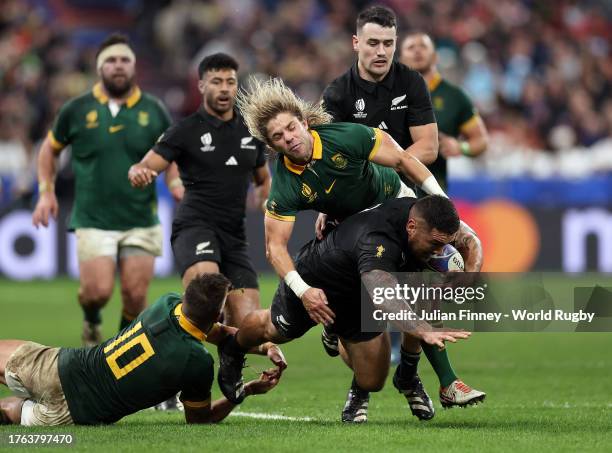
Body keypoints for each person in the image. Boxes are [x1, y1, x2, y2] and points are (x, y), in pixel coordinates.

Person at [236, 76, 477, 420]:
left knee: (430, 283)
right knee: (379, 329)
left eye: (291, 128)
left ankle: (428, 378)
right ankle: (386, 370)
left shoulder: (346, 136)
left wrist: (440, 201)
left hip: (396, 208)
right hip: (354, 233)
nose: (288, 138)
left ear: (304, 123)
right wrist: (304, 290)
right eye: (278, 136)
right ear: (272, 145)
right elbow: (274, 247)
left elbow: (403, 161)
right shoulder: (285, 184)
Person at [322, 6, 485, 412]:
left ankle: (423, 378)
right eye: (373, 42)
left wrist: (389, 181)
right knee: (366, 325)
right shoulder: (338, 94)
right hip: (359, 215)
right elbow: (329, 160)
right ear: (356, 42)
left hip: (414, 209)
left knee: (425, 293)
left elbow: (428, 148)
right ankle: (361, 375)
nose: (382, 51)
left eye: (389, 44)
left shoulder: (410, 82)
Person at [217, 196, 471, 423]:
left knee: (373, 380)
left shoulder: (418, 212)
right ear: (411, 227)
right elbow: (382, 292)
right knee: (275, 330)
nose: (440, 252)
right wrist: (422, 329)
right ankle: (234, 348)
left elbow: (470, 243)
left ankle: (341, 337)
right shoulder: (378, 241)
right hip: (318, 281)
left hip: (357, 295)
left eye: (445, 245)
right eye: (435, 244)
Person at [31, 33, 182, 346]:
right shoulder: (77, 109)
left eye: (124, 60)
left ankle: (117, 356)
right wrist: (46, 191)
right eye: (111, 60)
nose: (118, 66)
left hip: (141, 216)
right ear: (99, 68)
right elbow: (49, 150)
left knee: (135, 296)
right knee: (97, 292)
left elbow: (172, 154)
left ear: (134, 66)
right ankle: (92, 319)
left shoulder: (154, 110)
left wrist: (175, 182)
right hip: (93, 217)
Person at [0, 273, 285, 426]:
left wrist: (264, 345)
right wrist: (244, 391)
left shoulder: (167, 302)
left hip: (63, 366)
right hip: (76, 412)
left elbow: (221, 334)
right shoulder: (195, 361)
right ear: (215, 316)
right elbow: (201, 419)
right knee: (8, 411)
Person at [129, 53, 270, 328]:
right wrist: (140, 172)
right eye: (216, 81)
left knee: (246, 326)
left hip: (235, 238)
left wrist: (266, 202)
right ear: (202, 85)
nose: (225, 88)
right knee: (207, 297)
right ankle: (163, 338)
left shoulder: (250, 131)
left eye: (230, 81)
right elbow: (147, 164)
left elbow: (263, 178)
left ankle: (231, 372)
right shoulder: (185, 130)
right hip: (195, 227)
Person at [400, 32, 489, 191]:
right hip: (393, 191)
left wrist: (462, 147)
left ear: (434, 57)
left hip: (432, 194)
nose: (417, 51)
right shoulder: (387, 95)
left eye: (423, 46)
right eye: (411, 47)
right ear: (401, 58)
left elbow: (481, 139)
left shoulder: (455, 96)